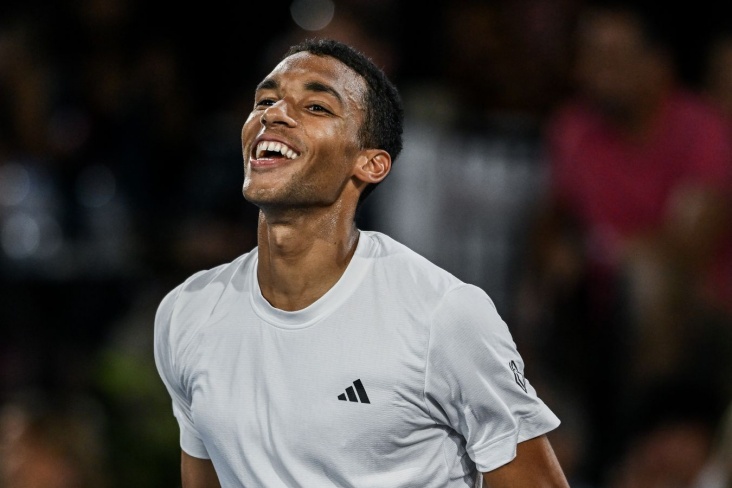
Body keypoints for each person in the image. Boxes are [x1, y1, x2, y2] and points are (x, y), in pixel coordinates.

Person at [154, 37, 569, 487]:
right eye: (266, 101)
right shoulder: (188, 312)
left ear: (370, 164)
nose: (274, 114)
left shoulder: (443, 316)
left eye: (316, 107)